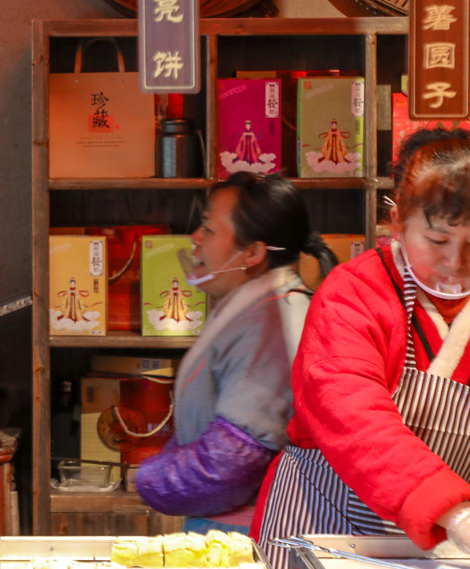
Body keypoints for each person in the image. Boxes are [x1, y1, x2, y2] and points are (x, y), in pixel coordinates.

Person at [253, 128, 470, 569]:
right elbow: (354, 418)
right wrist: (461, 514)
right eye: (438, 241)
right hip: (324, 533)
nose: (456, 261)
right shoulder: (353, 293)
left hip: (446, 555)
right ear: (397, 221)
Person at [134, 173, 332, 534]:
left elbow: (230, 464)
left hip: (250, 538)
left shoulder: (270, 323)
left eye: (208, 229)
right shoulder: (260, 305)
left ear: (253, 253)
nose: (195, 239)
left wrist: (149, 478)